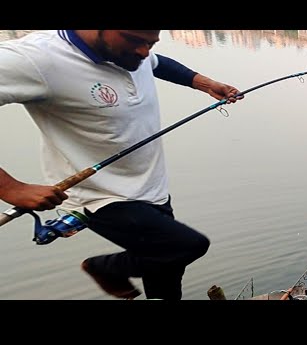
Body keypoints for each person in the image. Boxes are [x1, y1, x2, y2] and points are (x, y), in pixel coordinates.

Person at [0, 30, 244, 300]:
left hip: (151, 188)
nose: (144, 52)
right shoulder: (34, 59)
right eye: (135, 41)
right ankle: (103, 268)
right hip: (99, 196)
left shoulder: (132, 51)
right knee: (184, 246)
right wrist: (10, 187)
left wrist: (203, 83)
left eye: (151, 43)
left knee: (166, 272)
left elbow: (157, 63)